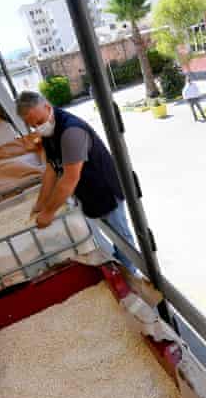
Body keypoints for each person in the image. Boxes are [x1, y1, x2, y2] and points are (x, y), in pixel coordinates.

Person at [16, 91, 136, 271]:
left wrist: (48, 212)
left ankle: (130, 273)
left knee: (122, 238)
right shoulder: (49, 131)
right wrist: (40, 204)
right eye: (33, 126)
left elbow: (69, 178)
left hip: (105, 188)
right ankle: (115, 267)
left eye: (39, 122)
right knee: (101, 234)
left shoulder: (71, 131)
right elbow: (51, 169)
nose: (38, 128)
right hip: (86, 191)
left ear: (47, 107)